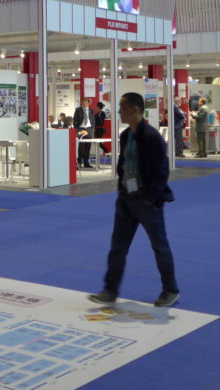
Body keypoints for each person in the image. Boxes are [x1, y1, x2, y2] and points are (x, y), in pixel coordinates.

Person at [88, 92, 179, 308]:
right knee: (118, 247)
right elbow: (123, 164)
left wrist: (151, 198)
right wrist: (122, 190)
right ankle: (110, 291)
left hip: (147, 201)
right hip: (126, 199)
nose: (119, 112)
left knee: (159, 246)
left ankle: (170, 290)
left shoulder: (152, 137)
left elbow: (161, 171)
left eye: (122, 107)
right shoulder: (126, 135)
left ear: (135, 110)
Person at [74, 98, 94, 168]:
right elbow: (74, 120)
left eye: (86, 103)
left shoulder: (91, 110)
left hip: (89, 129)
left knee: (88, 147)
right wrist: (77, 129)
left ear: (88, 103)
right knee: (80, 147)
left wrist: (92, 128)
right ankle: (79, 162)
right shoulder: (78, 110)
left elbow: (93, 120)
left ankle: (86, 163)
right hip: (81, 129)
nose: (84, 104)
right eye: (83, 103)